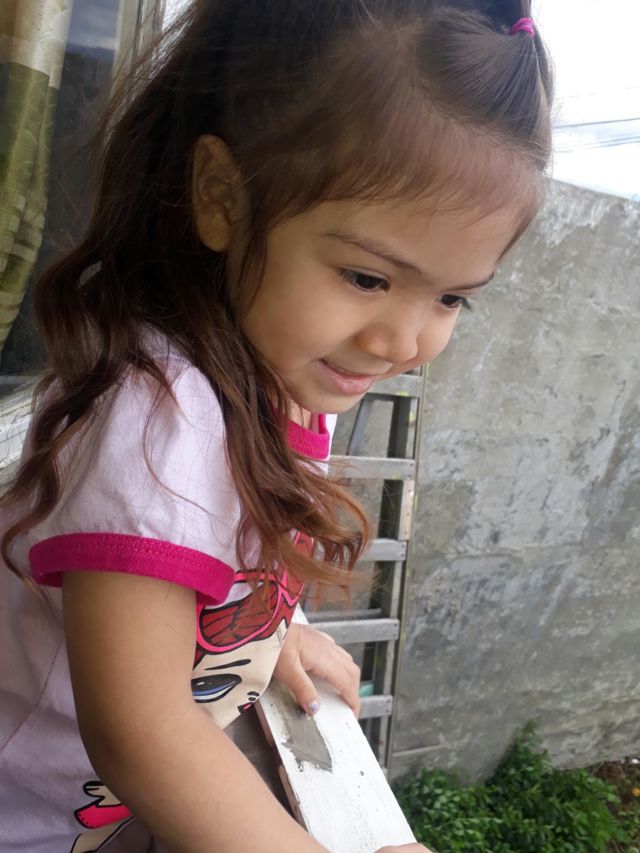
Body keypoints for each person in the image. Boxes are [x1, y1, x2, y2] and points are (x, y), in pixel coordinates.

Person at [0, 0, 553, 850]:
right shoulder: (160, 423)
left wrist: (264, 633)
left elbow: (211, 564)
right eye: (367, 277)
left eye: (451, 297)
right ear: (221, 197)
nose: (404, 341)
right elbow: (143, 731)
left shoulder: (281, 375)